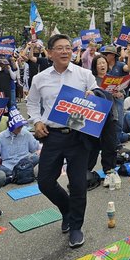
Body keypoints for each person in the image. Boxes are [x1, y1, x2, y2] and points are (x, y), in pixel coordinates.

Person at [27, 34, 98, 248]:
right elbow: (31, 104)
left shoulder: (84, 74)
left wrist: (93, 96)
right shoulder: (40, 78)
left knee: (78, 184)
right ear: (50, 53)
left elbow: (98, 97)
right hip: (52, 135)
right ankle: (66, 209)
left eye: (68, 47)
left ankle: (76, 227)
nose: (65, 51)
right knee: (45, 181)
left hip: (78, 135)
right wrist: (37, 122)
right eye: (59, 48)